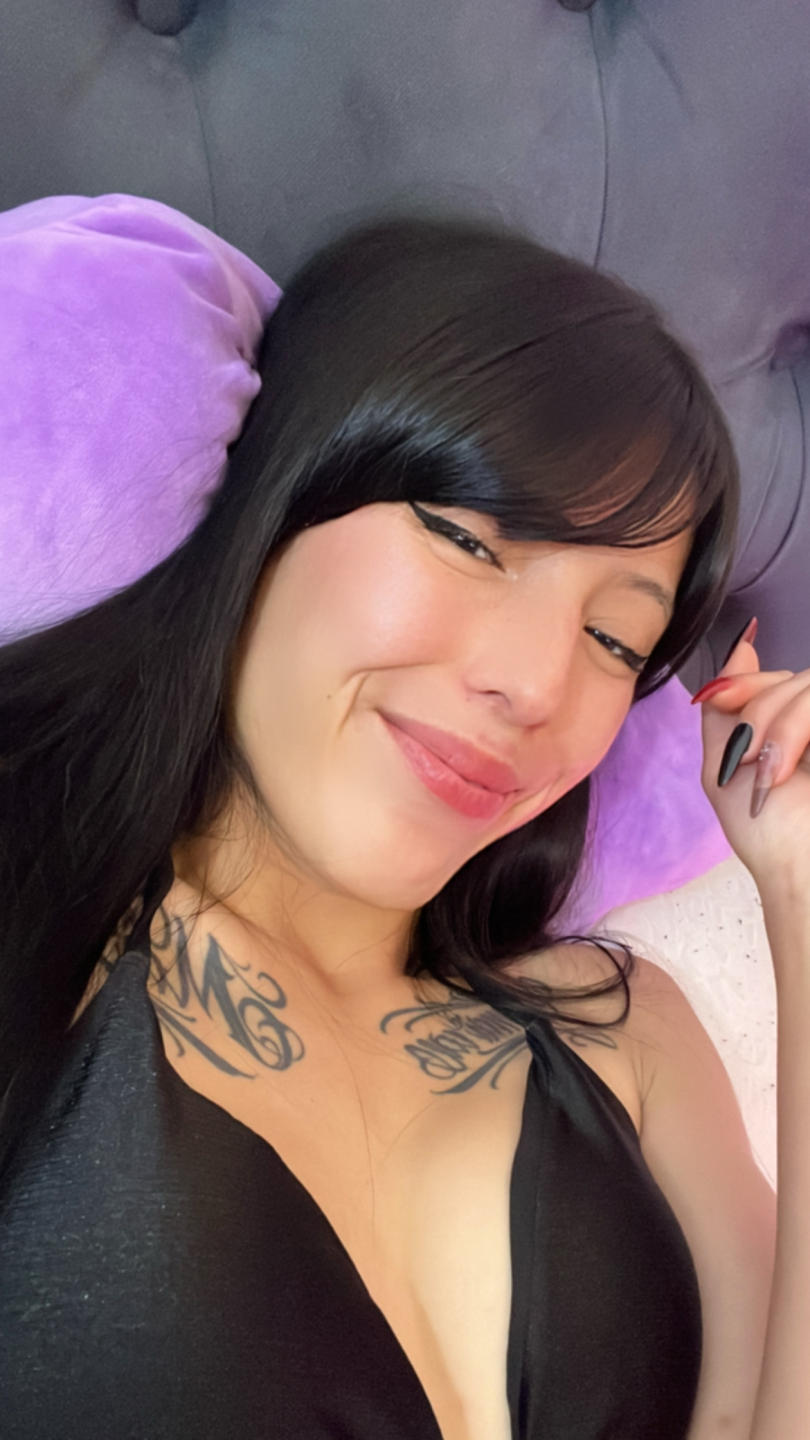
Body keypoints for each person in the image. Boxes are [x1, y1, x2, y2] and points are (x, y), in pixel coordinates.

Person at [0, 210, 803, 1440]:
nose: (535, 686)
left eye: (614, 639)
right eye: (469, 537)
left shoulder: (626, 1030)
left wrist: (799, 899)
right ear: (284, 491)